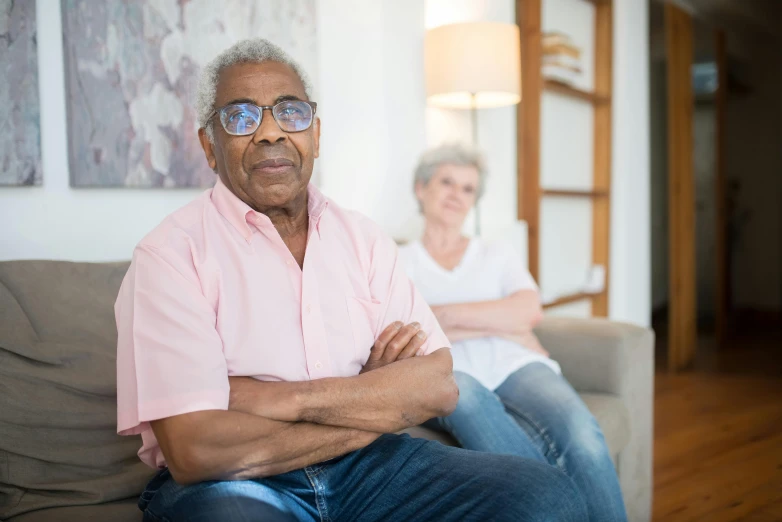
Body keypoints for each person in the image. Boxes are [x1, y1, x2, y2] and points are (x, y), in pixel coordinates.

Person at [114, 39, 588, 522]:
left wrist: (280, 398)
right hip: (231, 484)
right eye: (241, 117)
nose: (270, 133)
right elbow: (196, 450)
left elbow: (438, 386)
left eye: (290, 113)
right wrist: (376, 401)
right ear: (209, 147)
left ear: (315, 135)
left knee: (547, 495)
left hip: (372, 470)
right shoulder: (169, 256)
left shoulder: (363, 238)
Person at [399, 143, 627, 522]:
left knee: (583, 435)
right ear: (422, 189)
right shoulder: (399, 261)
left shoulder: (496, 252)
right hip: (453, 374)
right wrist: (497, 319)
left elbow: (528, 311)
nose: (457, 195)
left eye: (468, 188)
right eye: (447, 182)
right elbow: (406, 331)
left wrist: (443, 317)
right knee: (470, 400)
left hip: (515, 362)